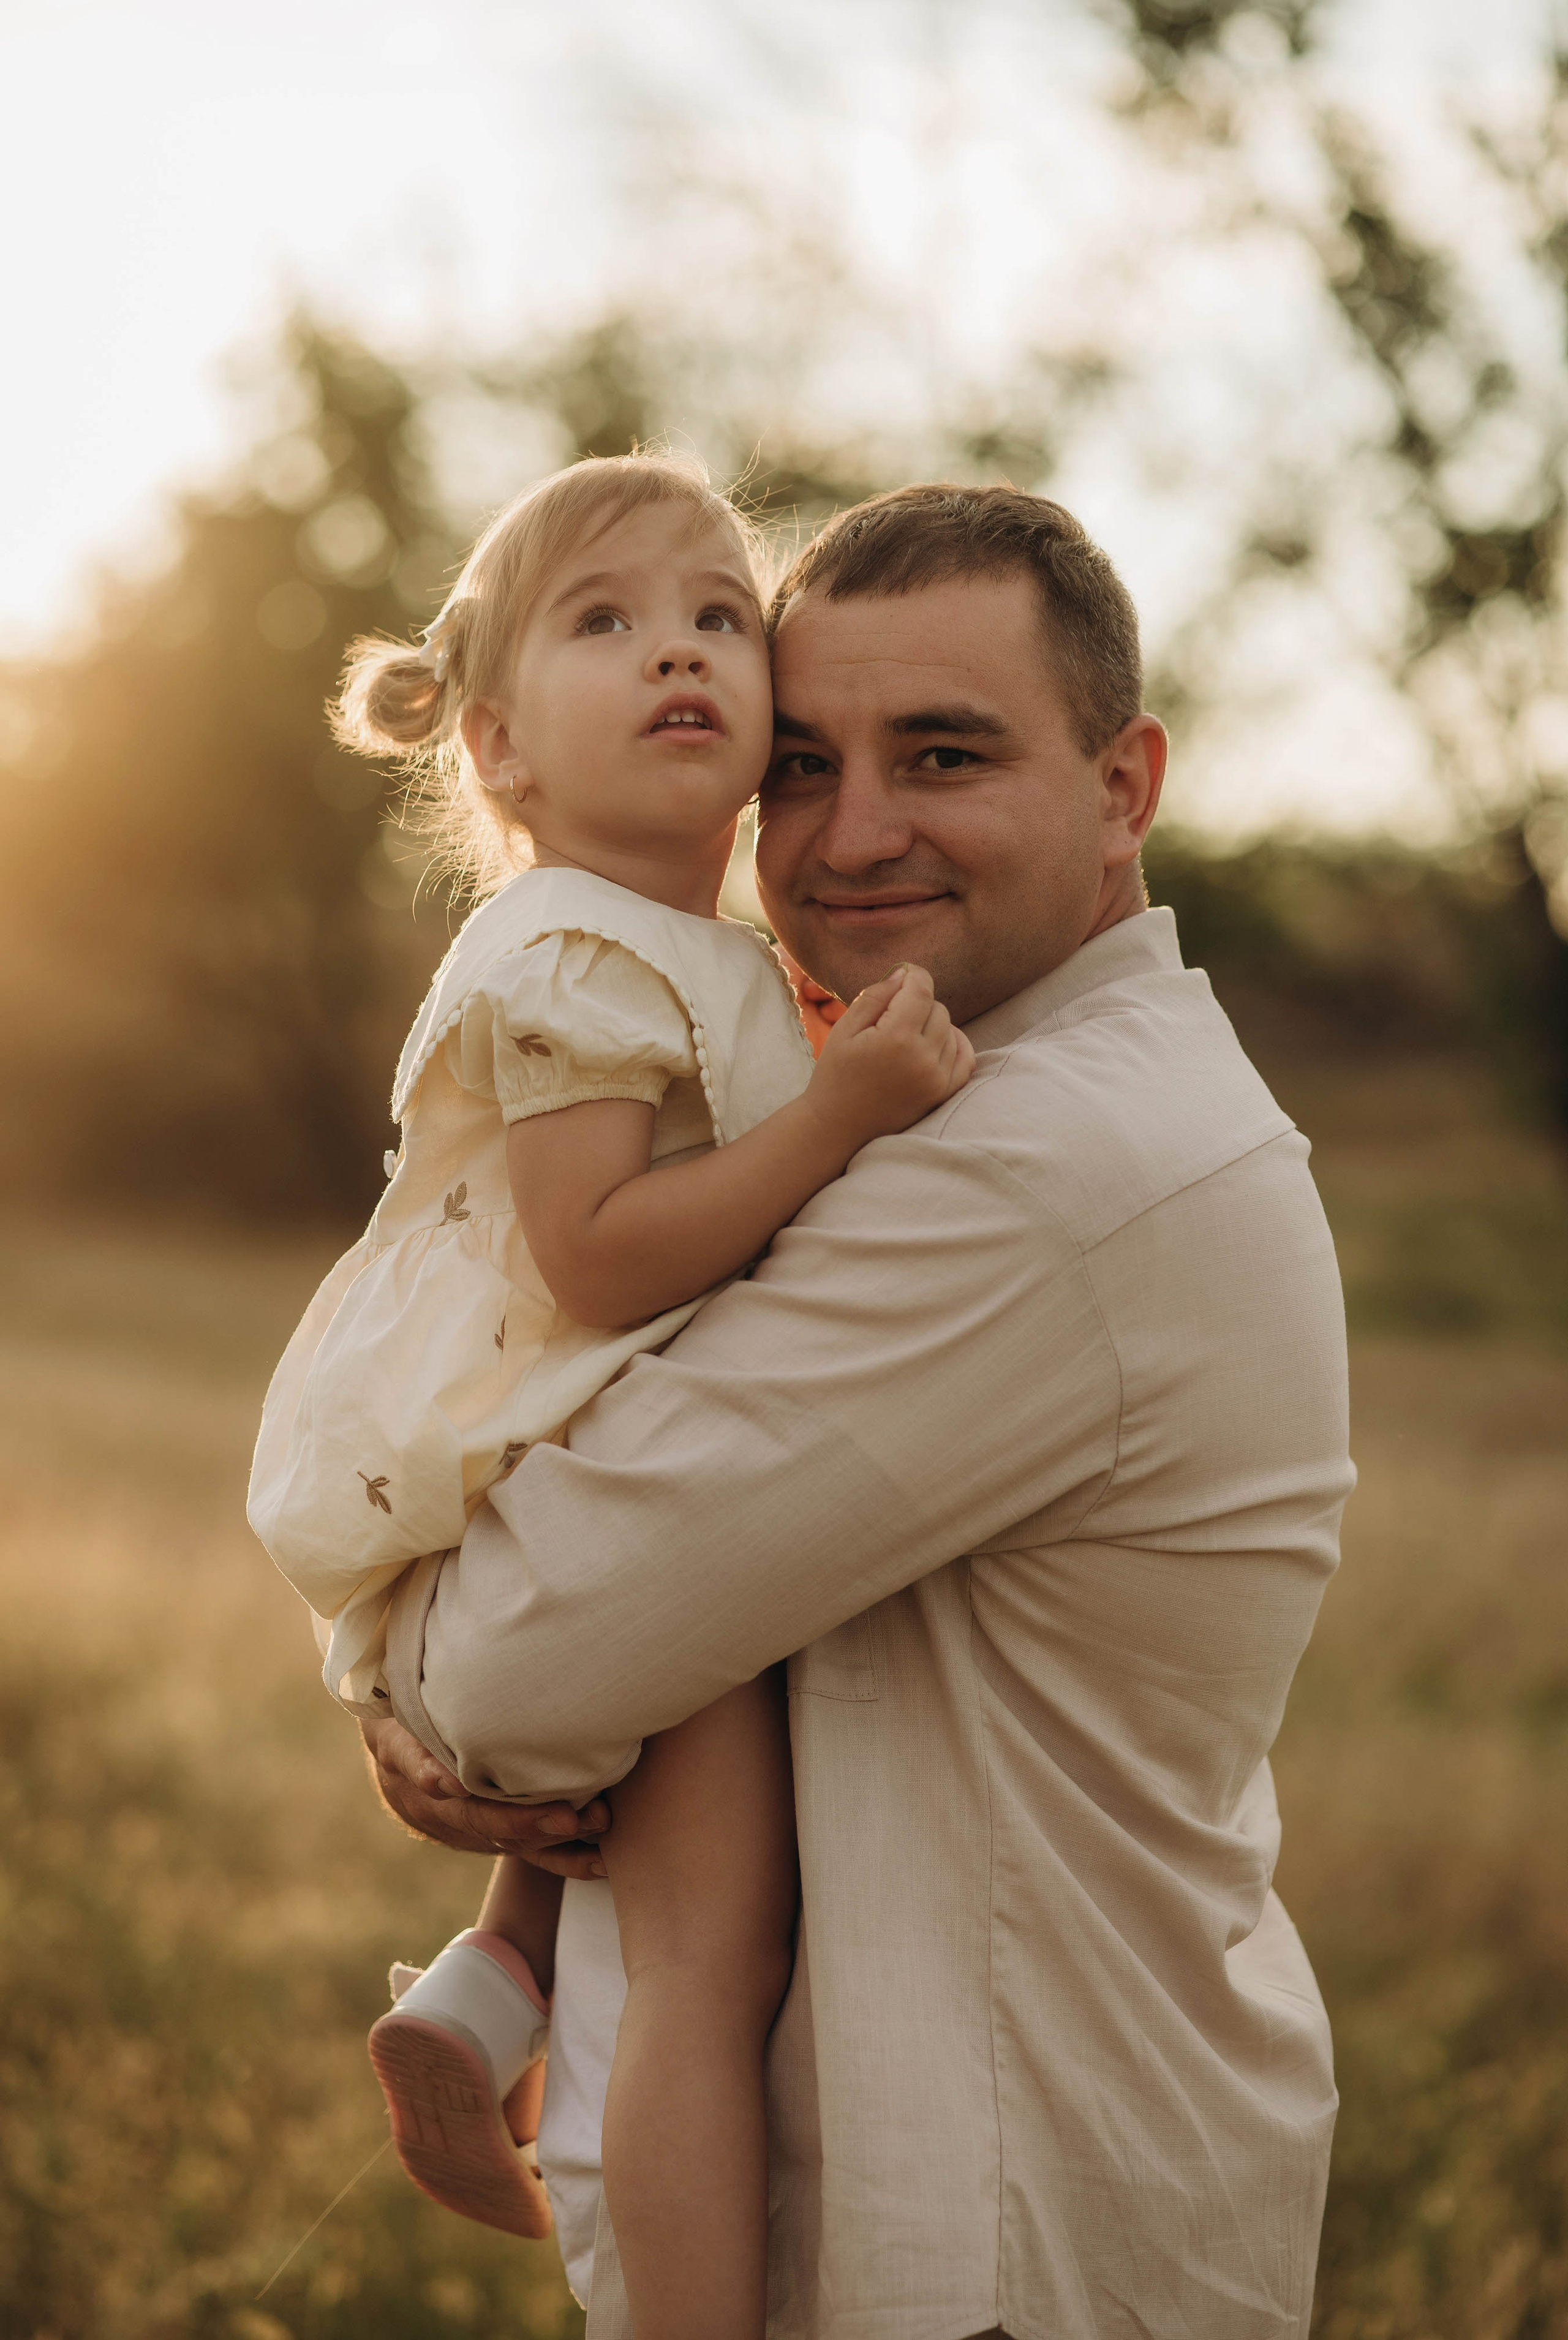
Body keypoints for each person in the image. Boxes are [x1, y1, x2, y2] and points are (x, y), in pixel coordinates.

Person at [364, 481, 1356, 2340]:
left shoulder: (1052, 1164)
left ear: (1125, 787)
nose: (856, 832)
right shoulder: (964, 1090)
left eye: (946, 755)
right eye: (805, 765)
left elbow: (521, 1664)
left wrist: (398, 1684)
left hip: (993, 2245)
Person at [247, 453, 972, 2340]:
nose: (679, 647)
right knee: (711, 1965)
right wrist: (841, 1114)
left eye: (720, 614)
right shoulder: (578, 949)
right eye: (608, 619)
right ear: (497, 748)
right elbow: (598, 1258)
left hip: (566, 1465)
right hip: (542, 1471)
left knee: (642, 1887)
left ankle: (486, 1994)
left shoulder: (681, 949)